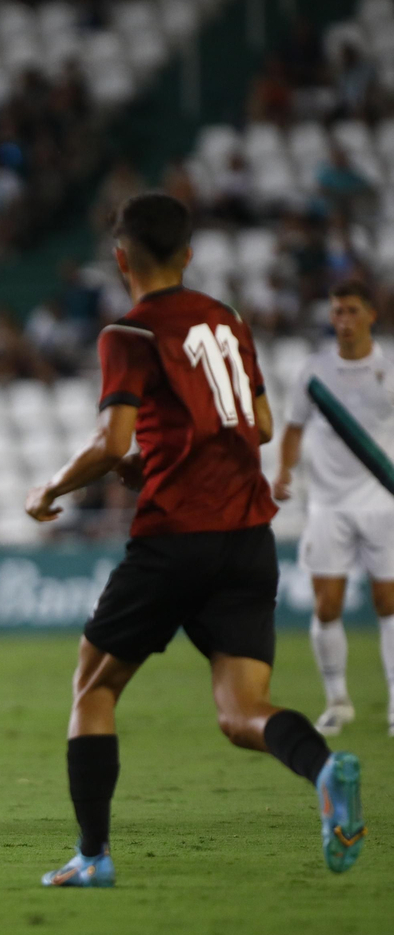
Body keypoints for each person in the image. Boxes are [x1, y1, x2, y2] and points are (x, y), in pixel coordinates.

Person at [25, 192, 363, 887]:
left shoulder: (129, 333)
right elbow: (259, 426)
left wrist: (51, 488)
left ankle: (93, 856)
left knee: (93, 686)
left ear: (120, 258)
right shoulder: (228, 320)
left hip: (176, 536)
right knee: (242, 712)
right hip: (249, 538)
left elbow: (110, 441)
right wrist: (159, 450)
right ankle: (324, 767)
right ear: (187, 254)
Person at [273, 280, 394, 737]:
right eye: (337, 312)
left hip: (382, 501)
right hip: (327, 505)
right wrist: (284, 471)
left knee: (389, 603)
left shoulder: (389, 369)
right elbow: (293, 428)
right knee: (327, 605)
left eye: (352, 311)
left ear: (370, 315)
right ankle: (338, 701)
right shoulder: (314, 371)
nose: (344, 320)